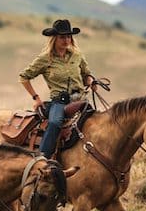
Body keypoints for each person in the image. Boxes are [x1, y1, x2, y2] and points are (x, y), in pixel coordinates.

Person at [18, 19, 96, 158]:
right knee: (54, 123)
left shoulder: (77, 55)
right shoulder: (45, 59)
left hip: (81, 100)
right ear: (54, 38)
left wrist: (91, 81)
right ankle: (42, 159)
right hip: (60, 102)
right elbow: (24, 77)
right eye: (62, 37)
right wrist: (36, 98)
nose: (66, 40)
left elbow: (86, 74)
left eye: (68, 36)